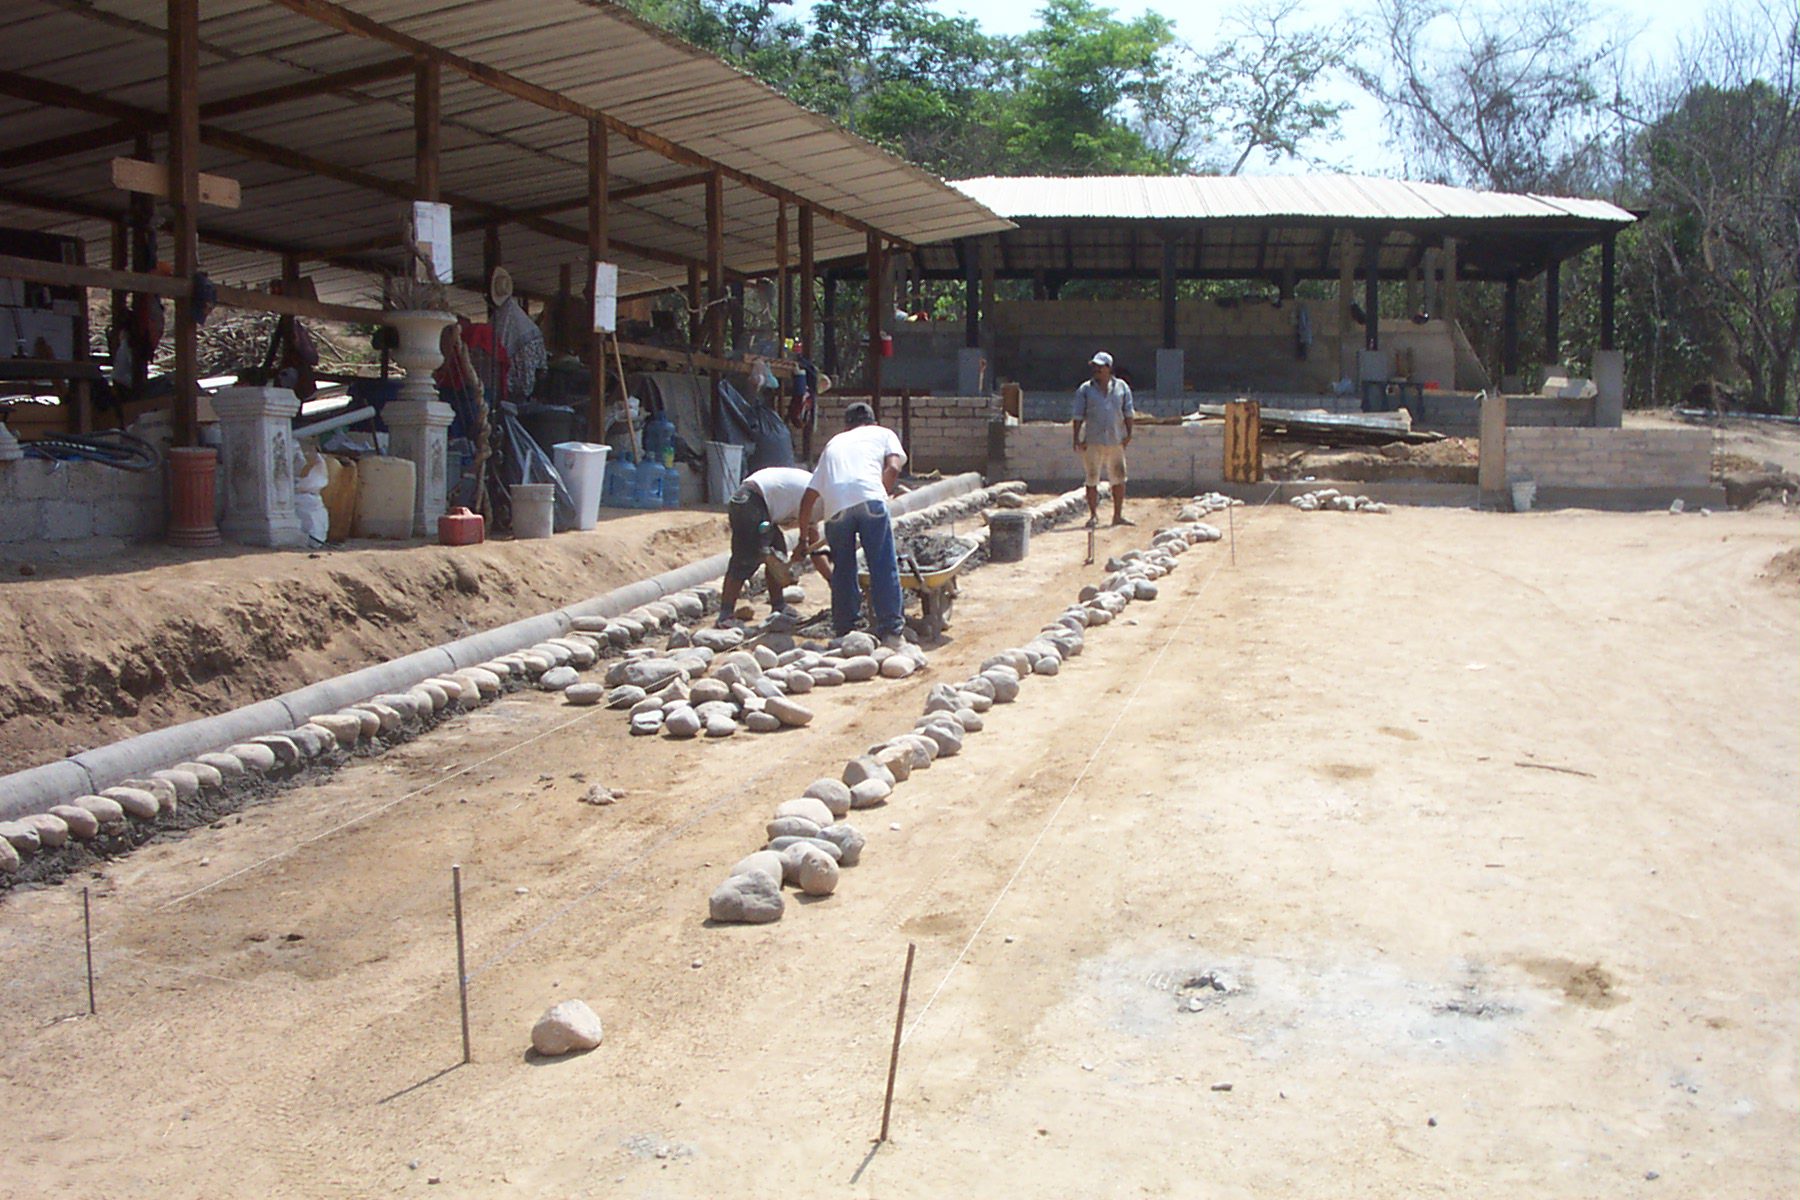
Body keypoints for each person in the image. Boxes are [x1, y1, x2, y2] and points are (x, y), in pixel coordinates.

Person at [791, 401, 908, 646]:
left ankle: (845, 630)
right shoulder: (883, 433)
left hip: (836, 509)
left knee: (843, 569)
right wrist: (882, 493)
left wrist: (802, 540)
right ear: (873, 421)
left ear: (846, 425)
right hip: (871, 501)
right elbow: (894, 467)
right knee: (882, 565)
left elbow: (808, 498)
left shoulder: (834, 443)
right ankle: (891, 631)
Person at [719, 466, 829, 625]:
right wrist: (802, 543)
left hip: (753, 500)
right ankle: (725, 615)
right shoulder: (820, 500)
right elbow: (809, 540)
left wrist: (831, 579)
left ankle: (778, 606)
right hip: (752, 502)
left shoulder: (821, 498)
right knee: (746, 558)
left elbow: (815, 547)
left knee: (778, 553)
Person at [1072, 350, 1134, 527]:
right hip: (1092, 440)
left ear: (1109, 368)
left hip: (1115, 439)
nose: (1096, 370)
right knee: (1092, 478)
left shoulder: (1122, 387)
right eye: (1095, 366)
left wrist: (1129, 433)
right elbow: (1078, 415)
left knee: (1119, 478)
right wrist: (1076, 438)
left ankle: (1118, 515)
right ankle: (1093, 515)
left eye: (1100, 367)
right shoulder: (1085, 389)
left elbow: (1128, 412)